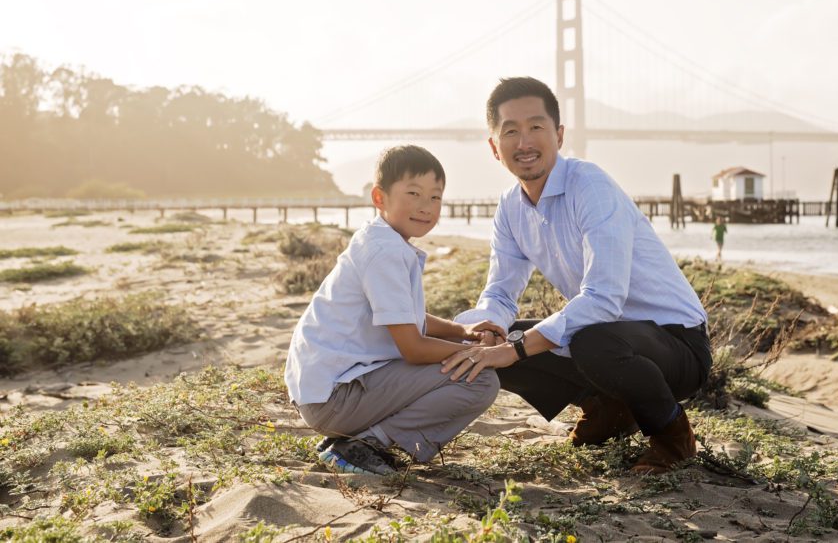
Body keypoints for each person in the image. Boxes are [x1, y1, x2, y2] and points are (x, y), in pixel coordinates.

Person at [441, 77, 712, 475]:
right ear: (494, 147)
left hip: (678, 345)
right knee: (507, 332)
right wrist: (486, 331)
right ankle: (609, 409)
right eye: (510, 131)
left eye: (536, 127)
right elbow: (499, 294)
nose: (525, 142)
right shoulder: (510, 209)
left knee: (580, 340)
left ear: (560, 135)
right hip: (610, 339)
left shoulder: (591, 187)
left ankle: (673, 437)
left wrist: (514, 349)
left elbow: (604, 299)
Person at [284, 145, 503, 475]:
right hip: (334, 399)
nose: (425, 206)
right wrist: (482, 355)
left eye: (435, 197)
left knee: (466, 357)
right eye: (413, 193)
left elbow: (406, 318)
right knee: (480, 379)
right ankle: (365, 445)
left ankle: (360, 438)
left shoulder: (382, 240)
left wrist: (463, 333)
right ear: (379, 198)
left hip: (327, 392)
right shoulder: (384, 251)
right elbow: (414, 348)